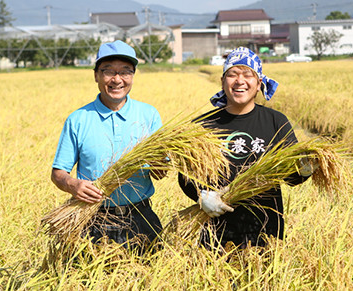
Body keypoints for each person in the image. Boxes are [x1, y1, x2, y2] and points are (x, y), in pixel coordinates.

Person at [179, 47, 315, 250]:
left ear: (259, 82)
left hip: (265, 231)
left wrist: (306, 168)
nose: (239, 81)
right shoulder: (202, 125)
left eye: (247, 74)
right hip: (215, 230)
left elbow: (291, 177)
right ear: (223, 82)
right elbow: (185, 175)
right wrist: (202, 196)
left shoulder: (275, 121)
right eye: (232, 74)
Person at [51, 40, 163, 252]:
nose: (117, 79)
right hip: (93, 219)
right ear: (96, 76)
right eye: (108, 71)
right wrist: (72, 185)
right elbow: (58, 173)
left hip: (140, 217)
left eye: (125, 72)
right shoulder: (78, 119)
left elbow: (160, 172)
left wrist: (160, 164)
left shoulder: (149, 115)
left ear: (133, 76)